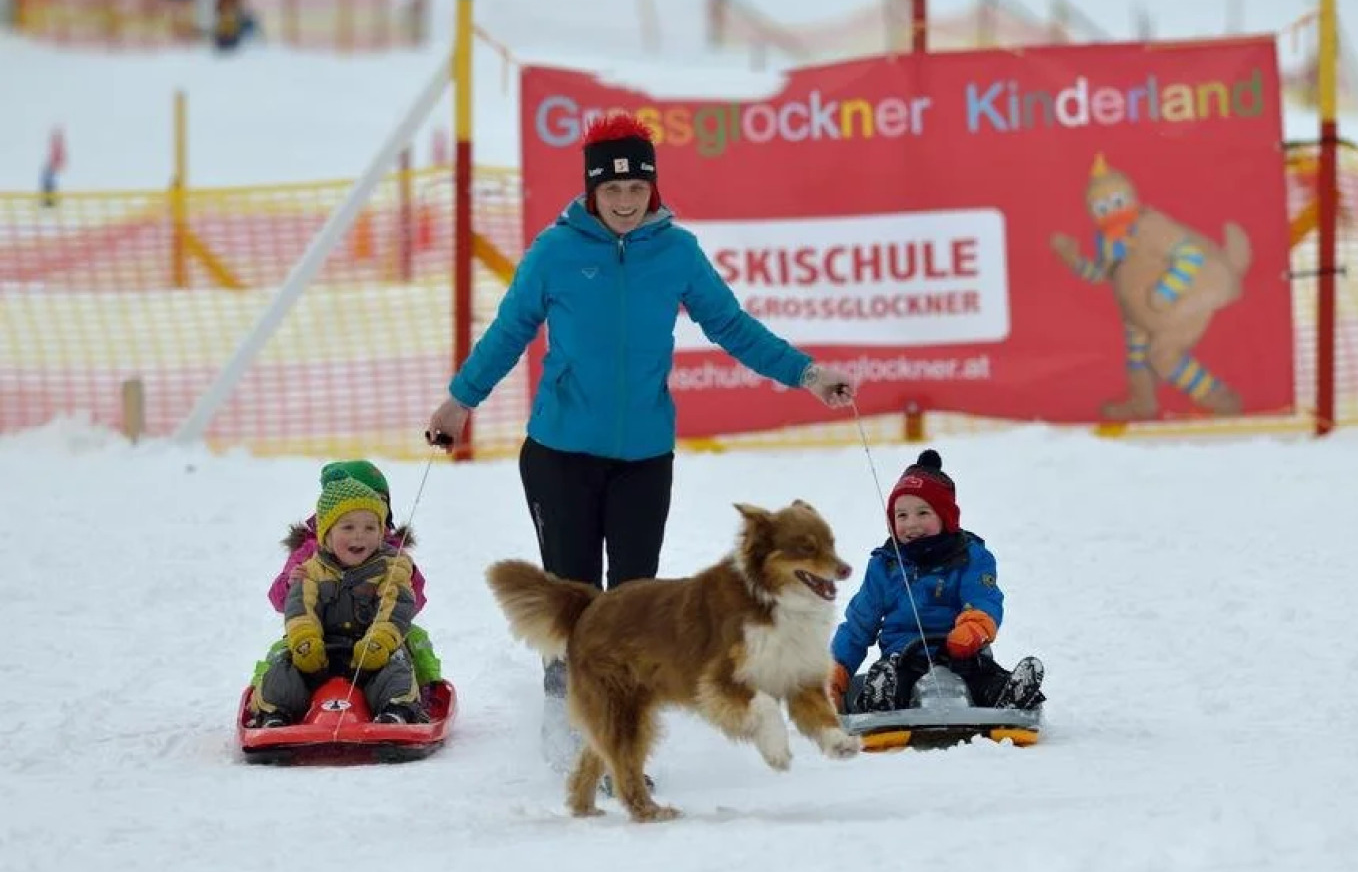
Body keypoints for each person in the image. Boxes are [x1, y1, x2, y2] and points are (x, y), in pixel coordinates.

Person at [422, 113, 856, 770]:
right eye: (611, 189)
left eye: (635, 188)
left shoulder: (676, 251)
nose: (624, 201)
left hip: (643, 458)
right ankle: (566, 720)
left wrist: (807, 374)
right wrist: (460, 402)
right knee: (575, 599)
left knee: (630, 602)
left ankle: (619, 736)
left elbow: (731, 326)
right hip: (560, 453)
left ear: (651, 190)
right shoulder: (554, 252)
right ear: (590, 191)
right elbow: (509, 331)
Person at [829, 449, 1046, 714]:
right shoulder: (885, 565)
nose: (912, 524)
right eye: (902, 515)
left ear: (945, 517)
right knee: (895, 679)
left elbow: (983, 597)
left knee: (983, 676)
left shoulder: (970, 557)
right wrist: (837, 670)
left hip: (962, 653)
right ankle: (879, 697)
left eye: (923, 513)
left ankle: (1009, 694)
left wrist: (975, 627)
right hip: (903, 658)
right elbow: (858, 625)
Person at [250, 475, 428, 727]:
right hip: (320, 654)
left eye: (370, 527)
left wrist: (380, 642)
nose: (360, 536)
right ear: (326, 535)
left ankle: (396, 710)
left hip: (371, 654)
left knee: (397, 666)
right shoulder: (310, 570)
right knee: (283, 666)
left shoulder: (392, 567)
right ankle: (274, 714)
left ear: (381, 534)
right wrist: (305, 642)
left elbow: (395, 607)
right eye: (348, 527)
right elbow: (300, 609)